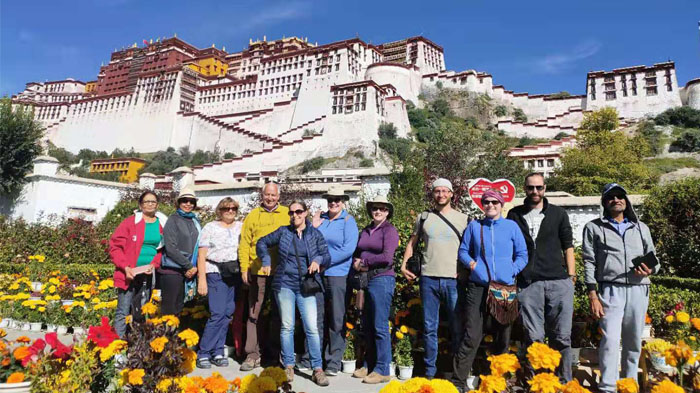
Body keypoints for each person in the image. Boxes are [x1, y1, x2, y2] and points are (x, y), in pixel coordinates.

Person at [582, 183, 659, 393]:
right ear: (604, 202)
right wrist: (592, 294)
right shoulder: (593, 227)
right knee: (610, 339)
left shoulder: (641, 227)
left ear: (626, 201)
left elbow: (654, 259)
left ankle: (629, 384)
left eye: (620, 196)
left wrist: (650, 270)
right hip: (610, 289)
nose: (616, 200)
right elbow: (588, 261)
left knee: (633, 339)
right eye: (611, 197)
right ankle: (607, 386)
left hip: (638, 288)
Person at [452, 189, 528, 392]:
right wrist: (473, 266)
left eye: (495, 202)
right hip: (478, 287)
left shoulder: (511, 227)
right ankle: (459, 383)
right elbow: (463, 251)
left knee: (503, 336)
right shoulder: (475, 226)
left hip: (504, 288)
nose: (490, 205)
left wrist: (511, 270)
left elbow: (522, 254)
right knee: (472, 335)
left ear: (501, 204)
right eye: (486, 202)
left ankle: (498, 381)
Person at [507, 173, 575, 382]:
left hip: (558, 281)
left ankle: (563, 382)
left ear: (545, 188)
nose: (535, 192)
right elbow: (509, 247)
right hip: (529, 284)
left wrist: (571, 276)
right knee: (534, 337)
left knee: (561, 336)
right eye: (530, 188)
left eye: (539, 188)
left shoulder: (558, 214)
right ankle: (538, 381)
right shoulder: (514, 214)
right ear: (524, 189)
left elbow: (568, 246)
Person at [256, 200, 331, 387]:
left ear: (305, 213)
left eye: (298, 211)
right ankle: (288, 366)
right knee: (287, 326)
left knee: (312, 328)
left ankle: (317, 369)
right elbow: (262, 242)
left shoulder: (314, 234)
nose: (295, 215)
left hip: (306, 285)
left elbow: (326, 254)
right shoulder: (283, 232)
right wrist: (265, 260)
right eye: (291, 212)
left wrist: (318, 260)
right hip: (285, 284)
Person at [400, 178, 469, 379]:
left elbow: (470, 248)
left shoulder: (463, 219)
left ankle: (458, 374)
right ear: (433, 194)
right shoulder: (424, 218)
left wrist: (465, 271)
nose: (441, 194)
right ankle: (430, 372)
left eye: (444, 191)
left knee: (457, 328)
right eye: (437, 191)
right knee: (430, 328)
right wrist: (404, 264)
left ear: (451, 194)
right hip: (429, 278)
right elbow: (412, 243)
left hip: (453, 280)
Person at [299, 187, 358, 376]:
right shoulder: (320, 220)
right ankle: (311, 358)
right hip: (317, 275)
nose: (333, 202)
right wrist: (313, 227)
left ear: (343, 201)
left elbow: (348, 249)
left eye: (337, 199)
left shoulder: (348, 221)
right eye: (331, 199)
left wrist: (323, 261)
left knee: (336, 317)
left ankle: (333, 361)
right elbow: (306, 242)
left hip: (338, 274)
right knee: (314, 317)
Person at [238, 182, 289, 371]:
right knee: (254, 313)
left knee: (279, 313)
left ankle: (274, 355)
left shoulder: (286, 214)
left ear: (279, 196)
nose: (270, 198)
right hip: (257, 271)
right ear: (262, 195)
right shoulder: (253, 215)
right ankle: (252, 354)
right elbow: (244, 243)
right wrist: (244, 268)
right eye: (267, 195)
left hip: (281, 273)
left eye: (273, 195)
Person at [352, 195, 400, 384]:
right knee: (368, 324)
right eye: (374, 208)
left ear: (388, 212)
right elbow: (357, 251)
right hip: (365, 279)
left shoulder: (390, 231)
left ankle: (382, 369)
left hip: (382, 278)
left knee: (380, 325)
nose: (378, 211)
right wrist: (356, 264)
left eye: (382, 208)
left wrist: (364, 262)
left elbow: (387, 257)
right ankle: (369, 364)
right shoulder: (366, 229)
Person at [109, 191, 168, 337]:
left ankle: (137, 345)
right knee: (123, 310)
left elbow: (162, 249)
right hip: (128, 273)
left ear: (157, 205)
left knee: (141, 310)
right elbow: (115, 246)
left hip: (147, 274)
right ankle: (118, 347)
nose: (150, 204)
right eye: (146, 202)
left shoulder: (161, 224)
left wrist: (154, 265)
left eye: (153, 202)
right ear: (140, 205)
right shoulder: (130, 222)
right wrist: (125, 267)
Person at [195, 197, 243, 369]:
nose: (230, 211)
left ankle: (217, 350)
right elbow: (201, 255)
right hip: (215, 272)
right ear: (219, 211)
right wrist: (202, 279)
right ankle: (204, 352)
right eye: (226, 208)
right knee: (217, 313)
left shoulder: (240, 227)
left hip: (233, 274)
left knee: (228, 313)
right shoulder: (210, 227)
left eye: (233, 208)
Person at [159, 186, 200, 316]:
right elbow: (170, 248)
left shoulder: (195, 221)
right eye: (184, 200)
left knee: (181, 309)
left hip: (189, 271)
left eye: (191, 201)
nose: (188, 204)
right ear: (178, 202)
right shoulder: (173, 220)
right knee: (170, 311)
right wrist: (188, 266)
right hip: (173, 270)